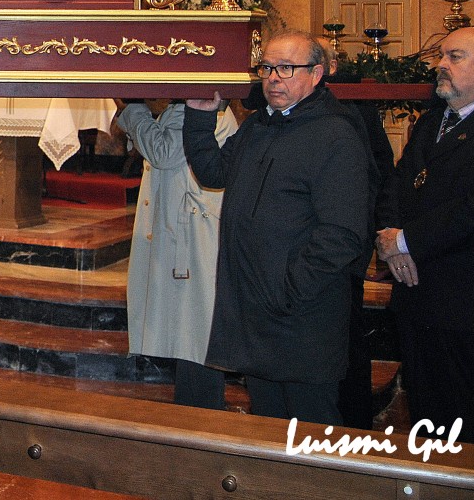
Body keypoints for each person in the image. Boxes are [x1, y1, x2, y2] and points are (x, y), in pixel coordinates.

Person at [182, 30, 371, 424]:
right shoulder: (260, 125)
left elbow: (342, 233)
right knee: (266, 426)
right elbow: (214, 172)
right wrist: (200, 118)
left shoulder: (336, 134)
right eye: (267, 68)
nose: (272, 78)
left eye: (286, 68)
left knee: (310, 430)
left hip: (301, 316)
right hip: (255, 310)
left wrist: (288, 290)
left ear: (316, 73)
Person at [376, 26, 474, 446]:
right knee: (428, 422)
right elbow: (396, 184)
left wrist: (406, 241)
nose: (440, 66)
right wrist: (390, 239)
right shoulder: (434, 120)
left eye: (455, 57)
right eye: (441, 57)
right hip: (419, 300)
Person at [117, 99, 234, 410]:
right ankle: (193, 420)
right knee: (189, 338)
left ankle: (201, 425)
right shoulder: (187, 104)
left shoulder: (198, 104)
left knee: (196, 338)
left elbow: (164, 152)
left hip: (194, 239)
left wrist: (133, 107)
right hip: (187, 233)